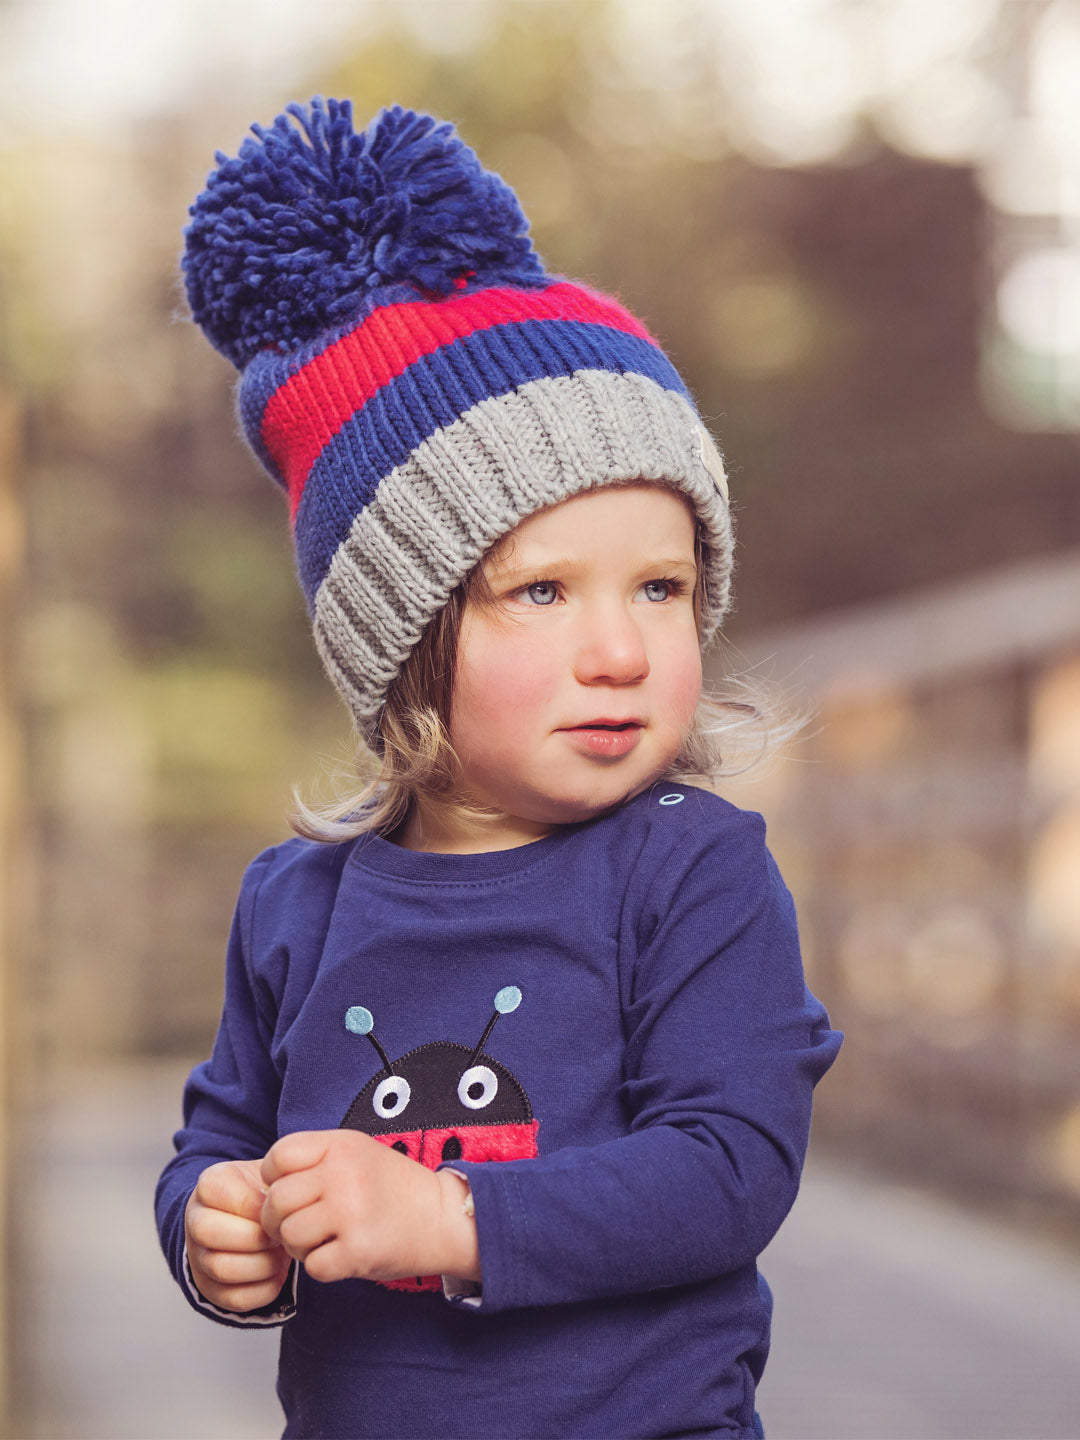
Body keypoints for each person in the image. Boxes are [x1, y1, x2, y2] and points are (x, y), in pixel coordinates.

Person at [155, 97, 841, 1440]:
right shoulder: (295, 905)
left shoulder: (693, 875)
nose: (621, 651)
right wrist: (214, 1225)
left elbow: (730, 1168)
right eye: (542, 592)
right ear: (402, 635)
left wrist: (450, 1216)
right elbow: (221, 1137)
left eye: (661, 587)